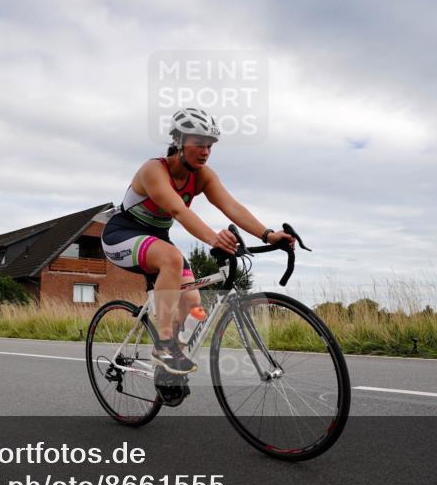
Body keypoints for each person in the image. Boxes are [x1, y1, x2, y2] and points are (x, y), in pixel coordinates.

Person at [101, 107, 295, 376]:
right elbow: (179, 211)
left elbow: (231, 206)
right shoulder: (153, 170)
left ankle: (169, 371)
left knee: (193, 305)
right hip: (122, 235)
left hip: (158, 241)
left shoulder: (203, 175)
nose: (206, 152)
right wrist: (214, 238)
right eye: (199, 144)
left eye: (210, 146)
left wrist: (268, 234)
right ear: (179, 141)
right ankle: (163, 346)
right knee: (171, 258)